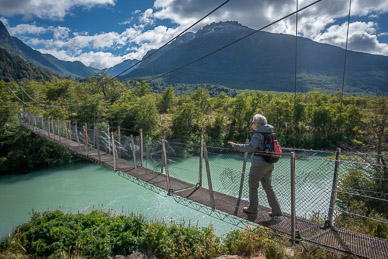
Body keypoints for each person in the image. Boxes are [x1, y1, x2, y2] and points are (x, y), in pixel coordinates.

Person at [228, 114, 282, 217]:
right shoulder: (270, 132)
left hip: (258, 165)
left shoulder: (257, 134)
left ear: (256, 124)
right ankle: (277, 210)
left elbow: (250, 148)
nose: (252, 124)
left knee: (253, 186)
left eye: (253, 122)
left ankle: (252, 209)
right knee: (268, 187)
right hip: (269, 163)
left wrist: (236, 145)